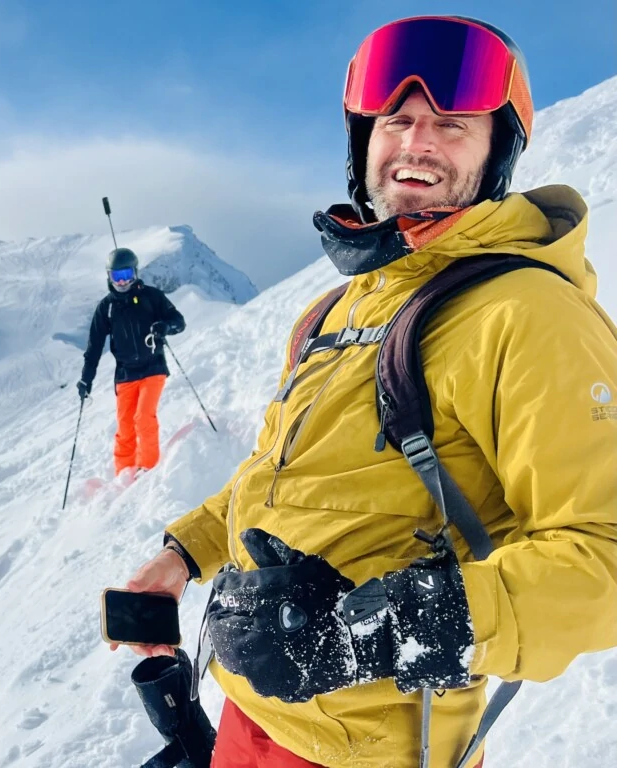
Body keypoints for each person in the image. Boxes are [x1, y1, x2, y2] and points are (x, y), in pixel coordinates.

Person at [114, 15, 617, 768]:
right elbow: (278, 479)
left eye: (451, 125)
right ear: (364, 143)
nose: (416, 143)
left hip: (376, 750)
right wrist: (186, 554)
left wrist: (381, 630)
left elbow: (601, 556)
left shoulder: (528, 315)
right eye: (397, 121)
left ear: (496, 151)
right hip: (252, 713)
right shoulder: (334, 311)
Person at [78, 247, 186, 476]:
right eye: (117, 276)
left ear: (136, 273)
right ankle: (124, 475)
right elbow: (94, 347)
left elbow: (178, 321)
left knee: (144, 417)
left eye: (127, 274)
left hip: (153, 367)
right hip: (125, 374)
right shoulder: (106, 308)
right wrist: (86, 379)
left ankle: (148, 469)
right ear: (108, 276)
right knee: (125, 427)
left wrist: (165, 327)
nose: (122, 281)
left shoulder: (151, 296)